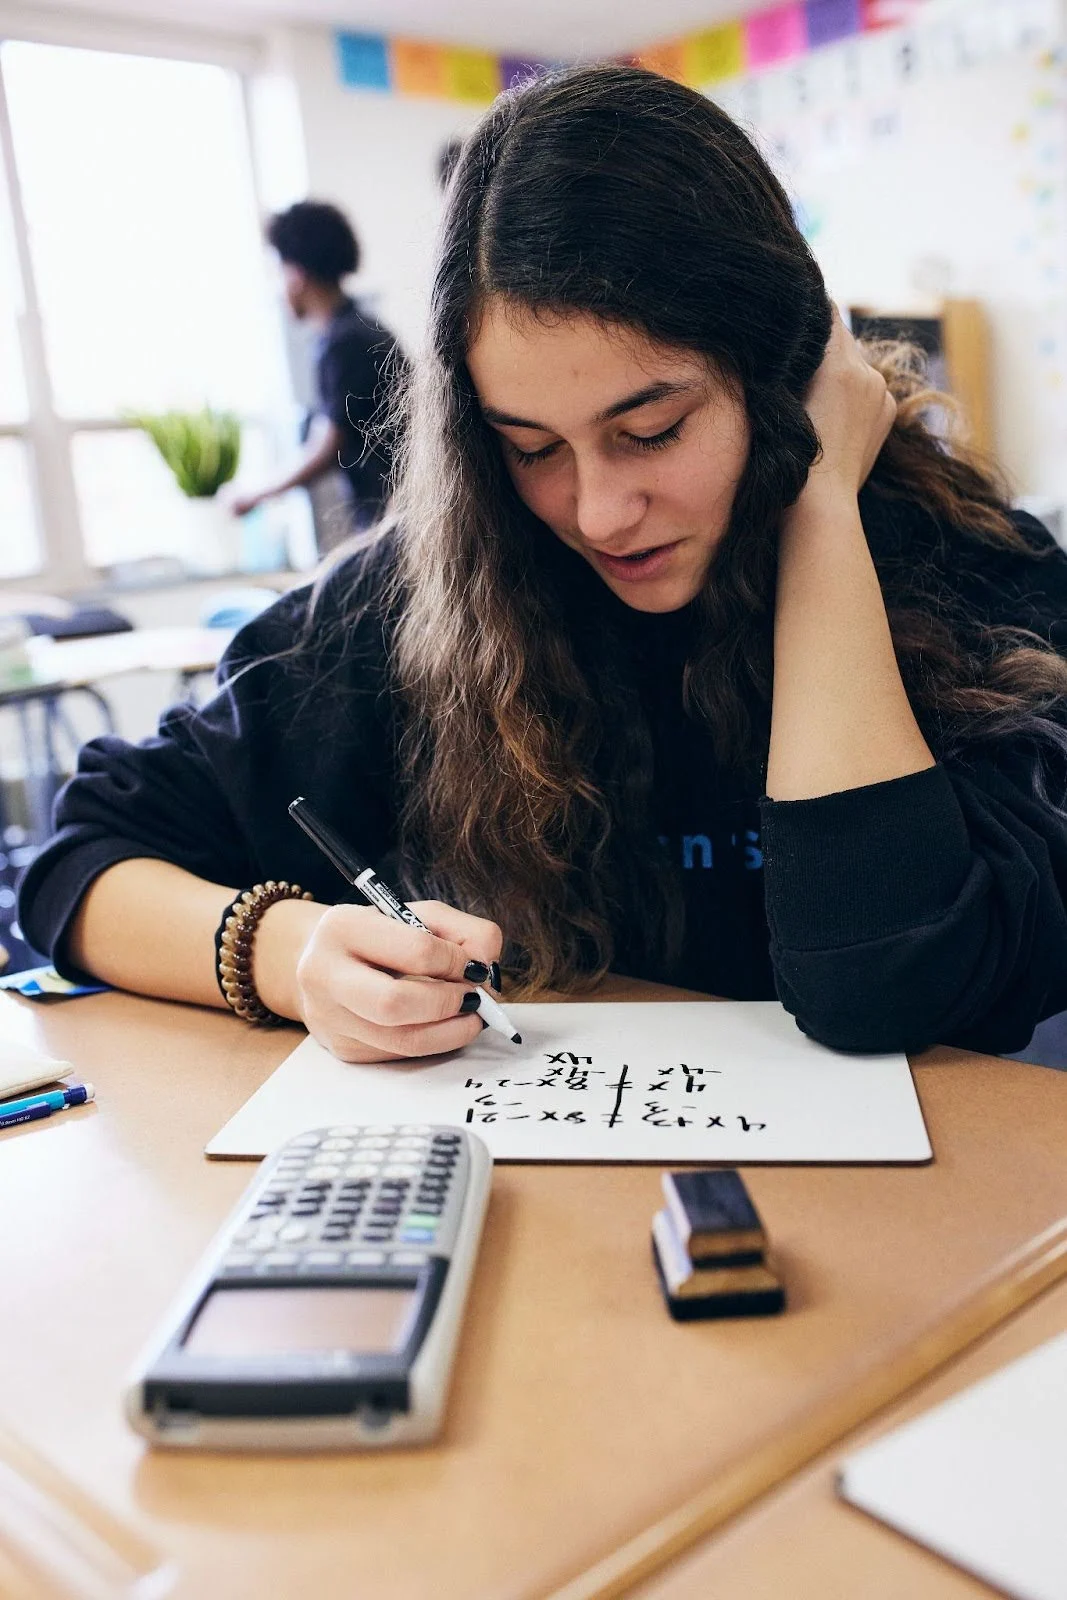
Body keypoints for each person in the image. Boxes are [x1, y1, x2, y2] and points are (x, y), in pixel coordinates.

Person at [18, 65, 1067, 1067]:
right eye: (528, 448)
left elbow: (881, 985)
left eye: (651, 429)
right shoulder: (433, 593)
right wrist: (287, 954)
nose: (600, 513)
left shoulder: (976, 581)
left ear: (781, 369)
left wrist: (820, 505)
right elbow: (82, 859)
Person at [231, 199, 405, 533]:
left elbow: (327, 446)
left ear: (296, 274)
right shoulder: (362, 329)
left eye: (279, 272)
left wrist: (255, 494)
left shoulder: (346, 343)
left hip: (392, 522)